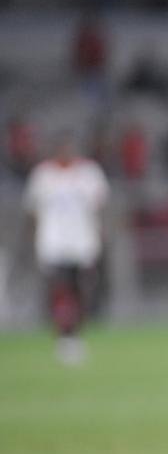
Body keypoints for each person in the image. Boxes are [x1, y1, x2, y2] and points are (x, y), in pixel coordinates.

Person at [23, 131, 109, 365]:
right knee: (61, 288)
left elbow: (99, 206)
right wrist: (34, 240)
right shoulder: (43, 175)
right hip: (53, 241)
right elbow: (33, 211)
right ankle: (64, 335)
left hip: (82, 242)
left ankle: (75, 333)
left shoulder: (89, 173)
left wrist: (101, 235)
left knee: (80, 289)